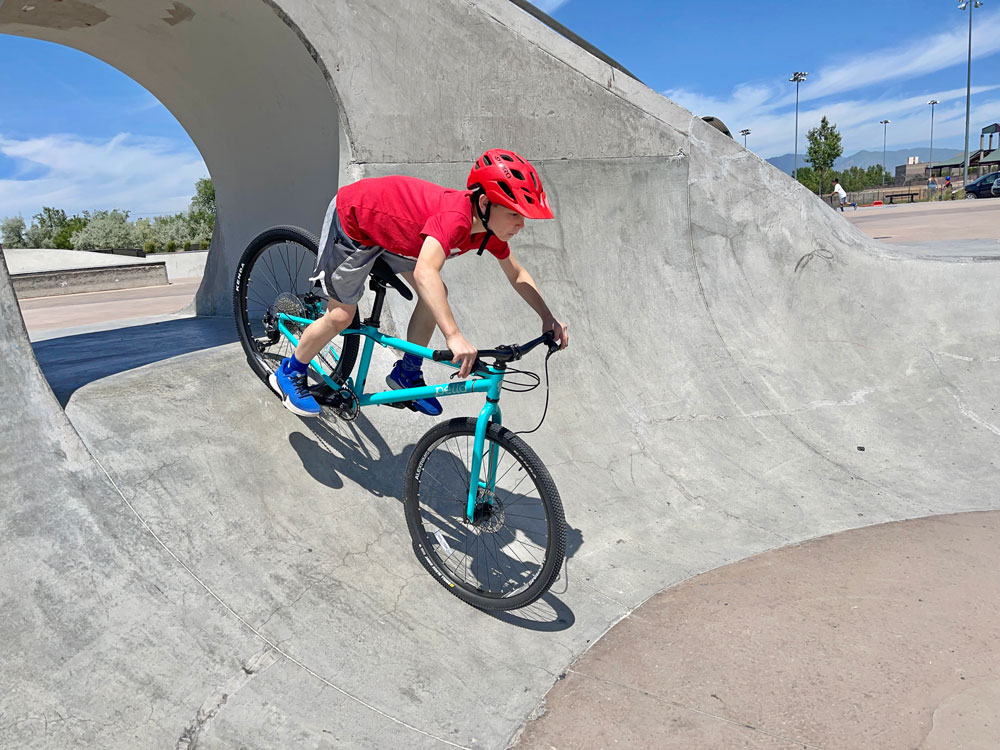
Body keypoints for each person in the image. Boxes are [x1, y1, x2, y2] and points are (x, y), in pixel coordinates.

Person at [269, 148, 570, 418]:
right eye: (514, 214)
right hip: (355, 220)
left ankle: (407, 372)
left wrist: (547, 317)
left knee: (435, 294)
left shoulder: (486, 231)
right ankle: (290, 370)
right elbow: (426, 271)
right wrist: (453, 335)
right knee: (341, 315)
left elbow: (516, 274)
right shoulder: (456, 219)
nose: (521, 224)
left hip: (395, 236)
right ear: (484, 203)